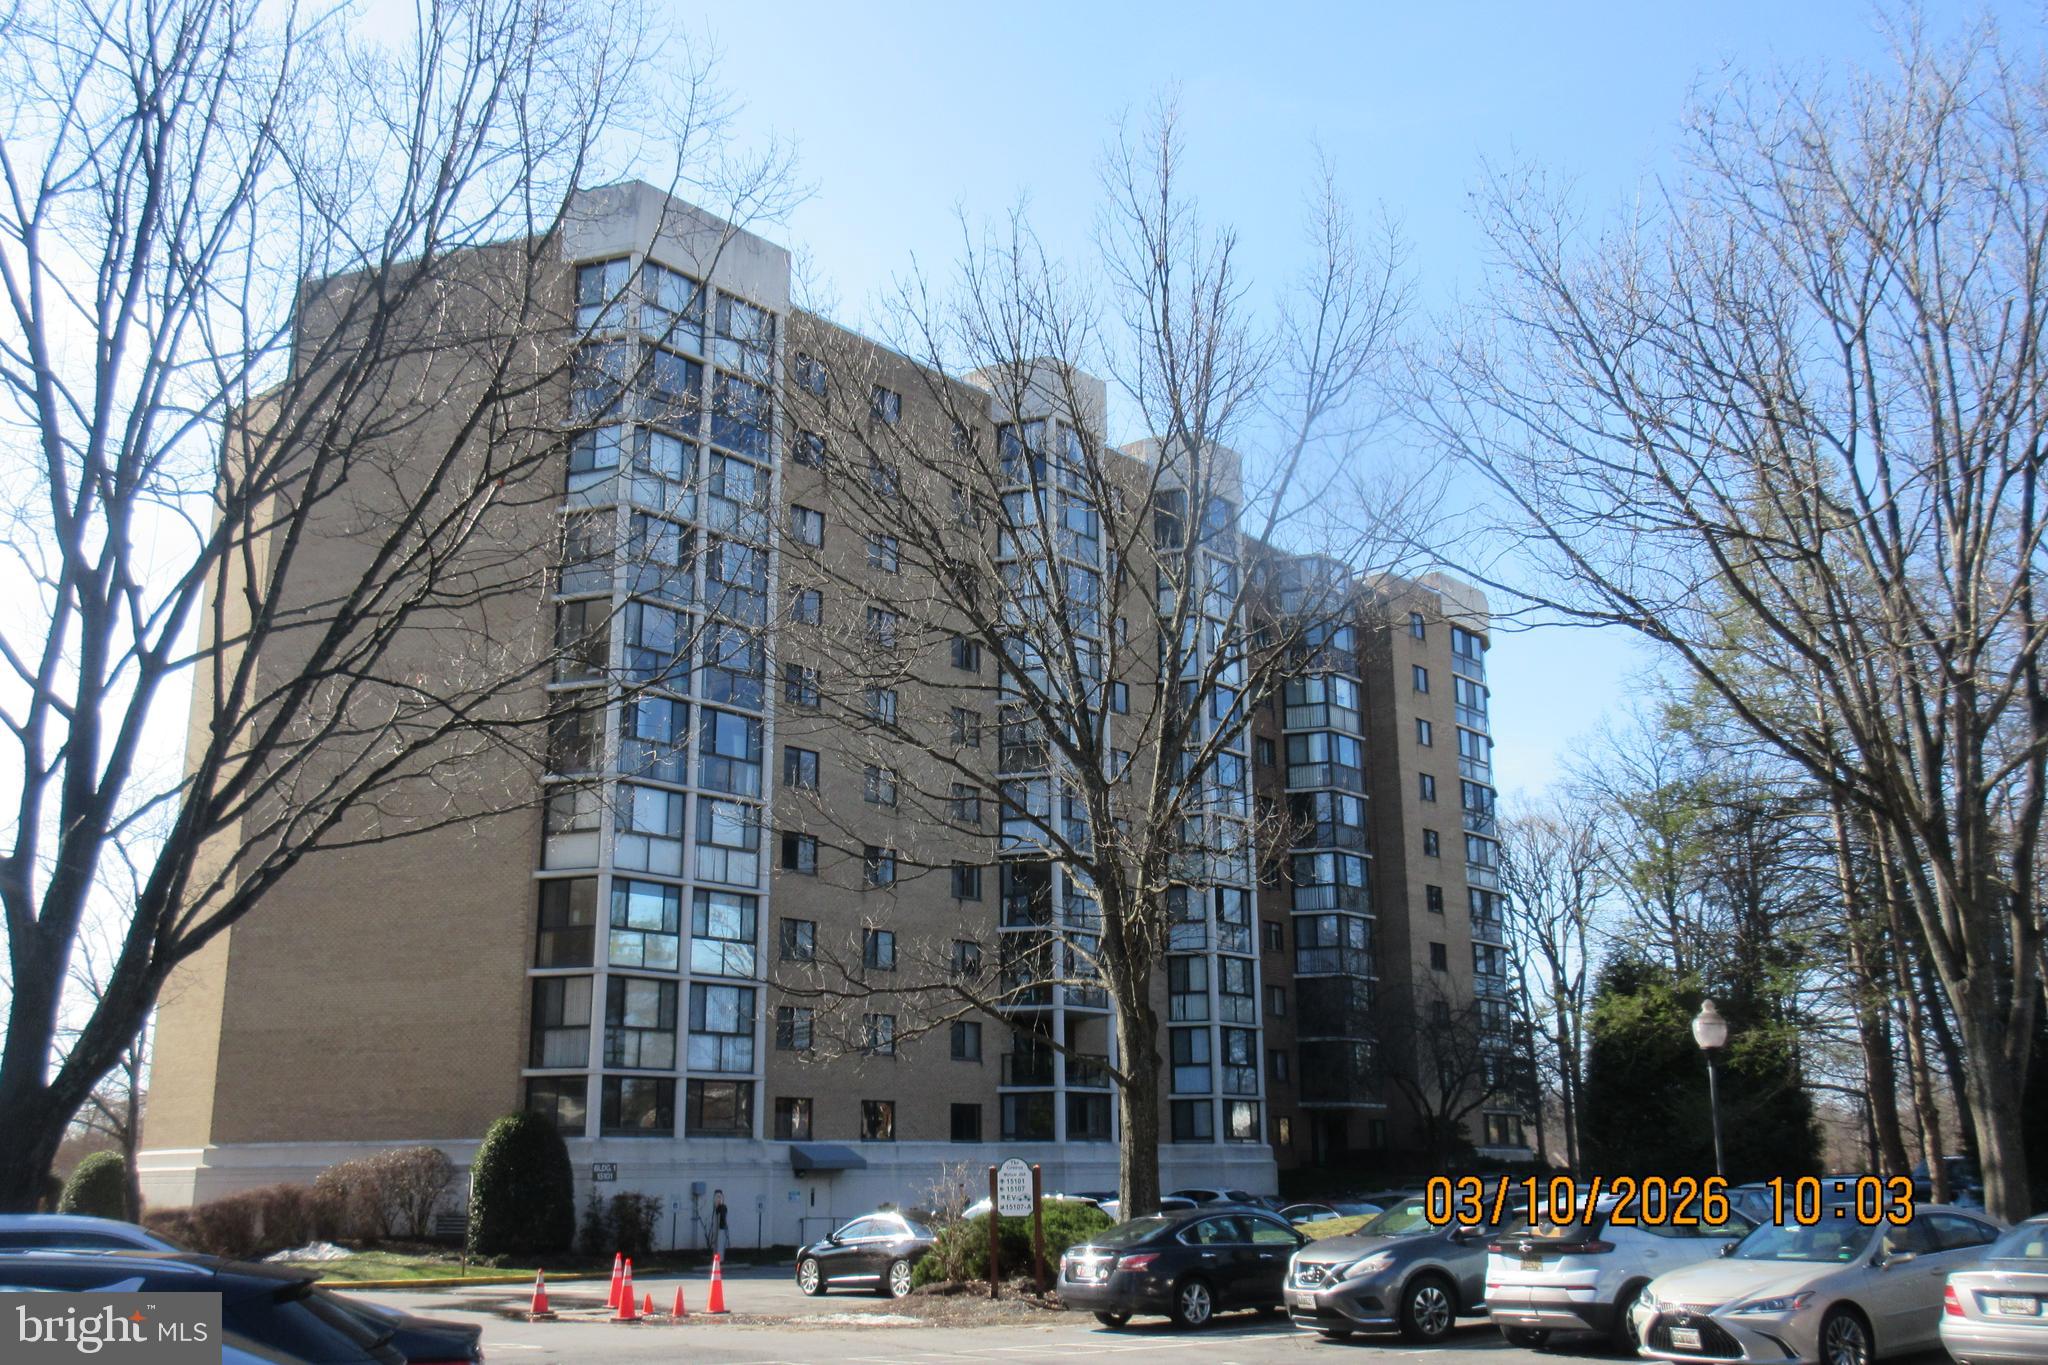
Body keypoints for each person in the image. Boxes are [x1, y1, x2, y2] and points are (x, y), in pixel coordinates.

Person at [712, 1189, 730, 1258]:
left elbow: (723, 1217)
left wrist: (723, 1223)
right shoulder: (717, 1210)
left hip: (721, 1227)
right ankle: (717, 1258)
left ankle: (719, 1258)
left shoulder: (722, 1208)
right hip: (718, 1227)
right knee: (716, 1244)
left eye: (719, 1197)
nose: (718, 1199)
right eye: (717, 1197)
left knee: (719, 1243)